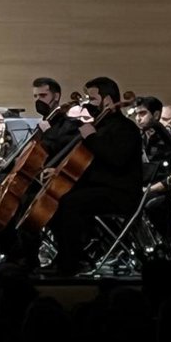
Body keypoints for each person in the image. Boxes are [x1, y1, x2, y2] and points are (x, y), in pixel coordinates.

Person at [41, 77, 142, 276]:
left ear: (107, 100)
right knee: (54, 199)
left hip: (120, 193)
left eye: (93, 99)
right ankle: (69, 256)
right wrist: (59, 171)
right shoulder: (100, 126)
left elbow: (116, 161)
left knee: (69, 203)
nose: (88, 104)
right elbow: (88, 165)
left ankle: (73, 261)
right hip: (100, 189)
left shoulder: (125, 128)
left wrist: (91, 137)